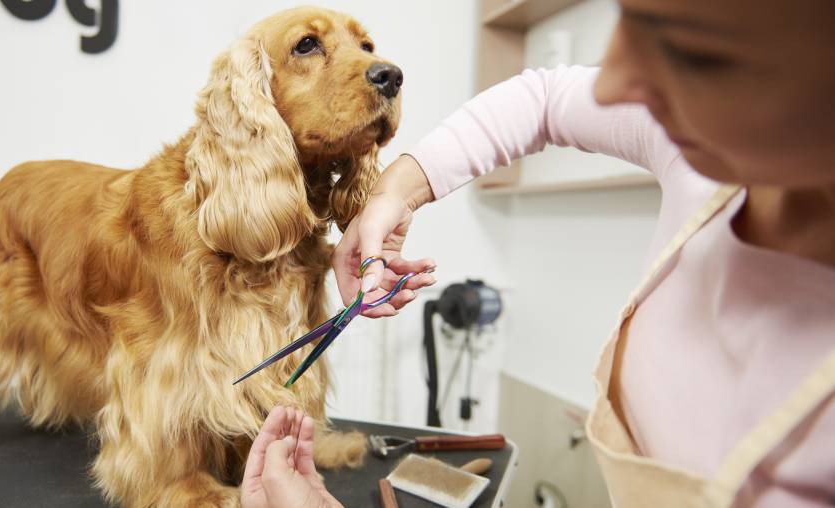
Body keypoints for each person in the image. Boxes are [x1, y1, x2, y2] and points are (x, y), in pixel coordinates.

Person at [242, 0, 835, 506]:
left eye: (686, 45)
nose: (610, 83)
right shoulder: (705, 151)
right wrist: (394, 194)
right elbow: (544, 99)